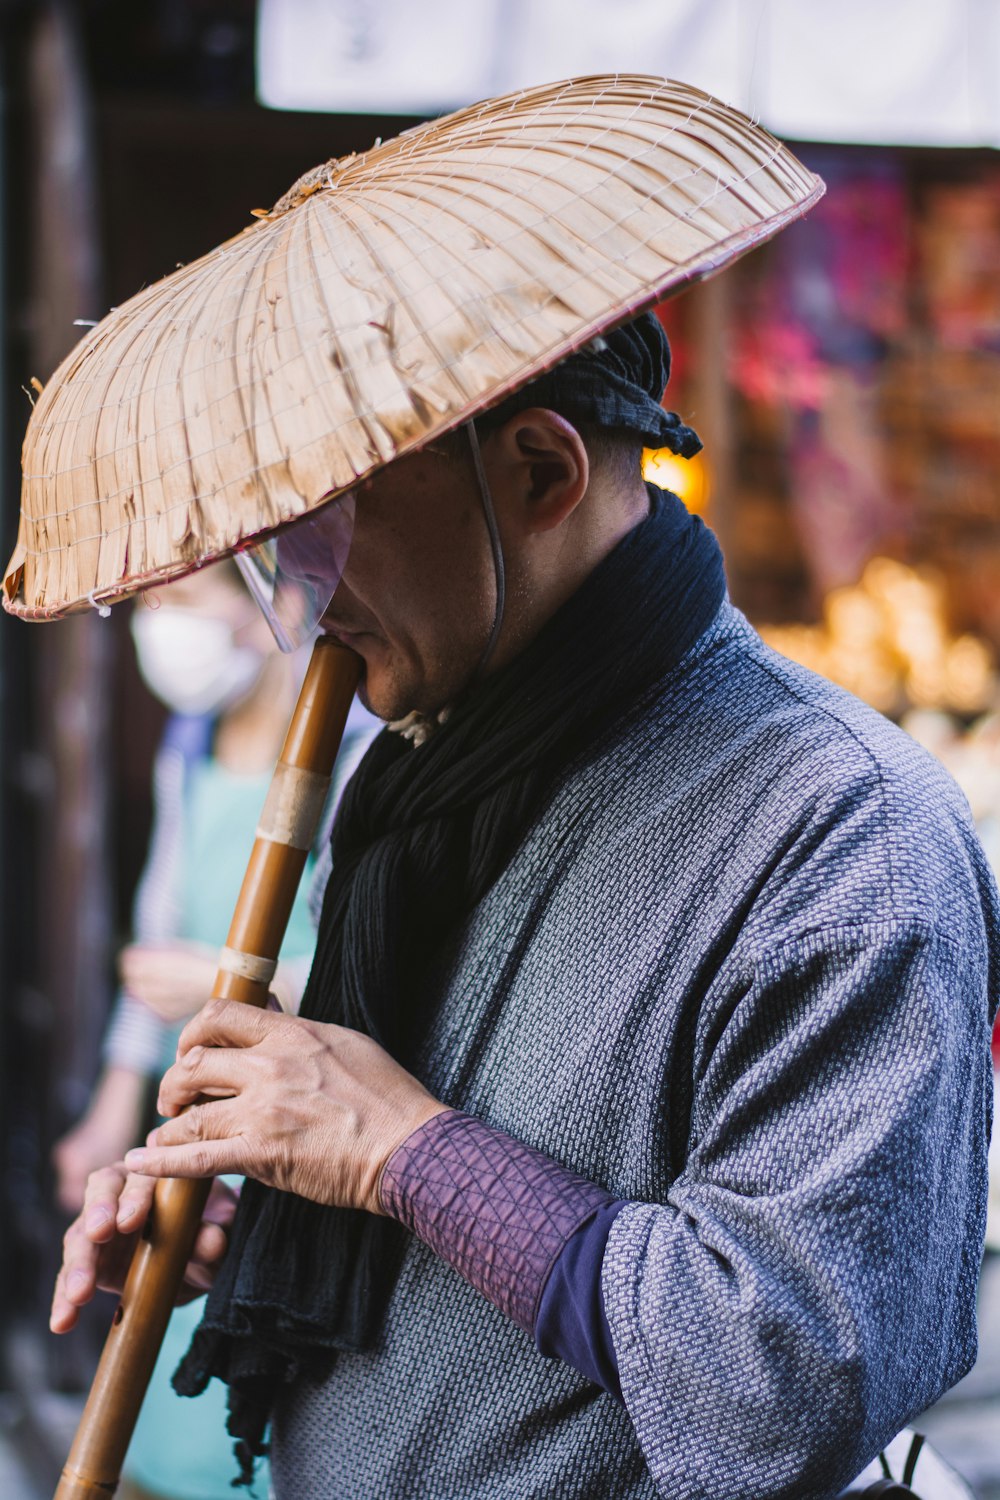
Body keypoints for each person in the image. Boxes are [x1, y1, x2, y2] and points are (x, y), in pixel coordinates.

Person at [51, 315, 999, 1500]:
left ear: (541, 473)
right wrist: (262, 1213)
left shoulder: (842, 831)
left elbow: (786, 1379)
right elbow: (490, 1244)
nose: (304, 594)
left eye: (324, 528)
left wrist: (399, 1150)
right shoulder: (437, 780)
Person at [52, 562, 373, 1500]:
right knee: (156, 1370)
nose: (159, 631)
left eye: (180, 605)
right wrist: (111, 1109)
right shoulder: (185, 746)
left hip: (297, 1118)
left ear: (272, 606)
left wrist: (218, 987)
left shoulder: (352, 758)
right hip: (185, 1115)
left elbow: (378, 982)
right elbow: (157, 931)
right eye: (147, 607)